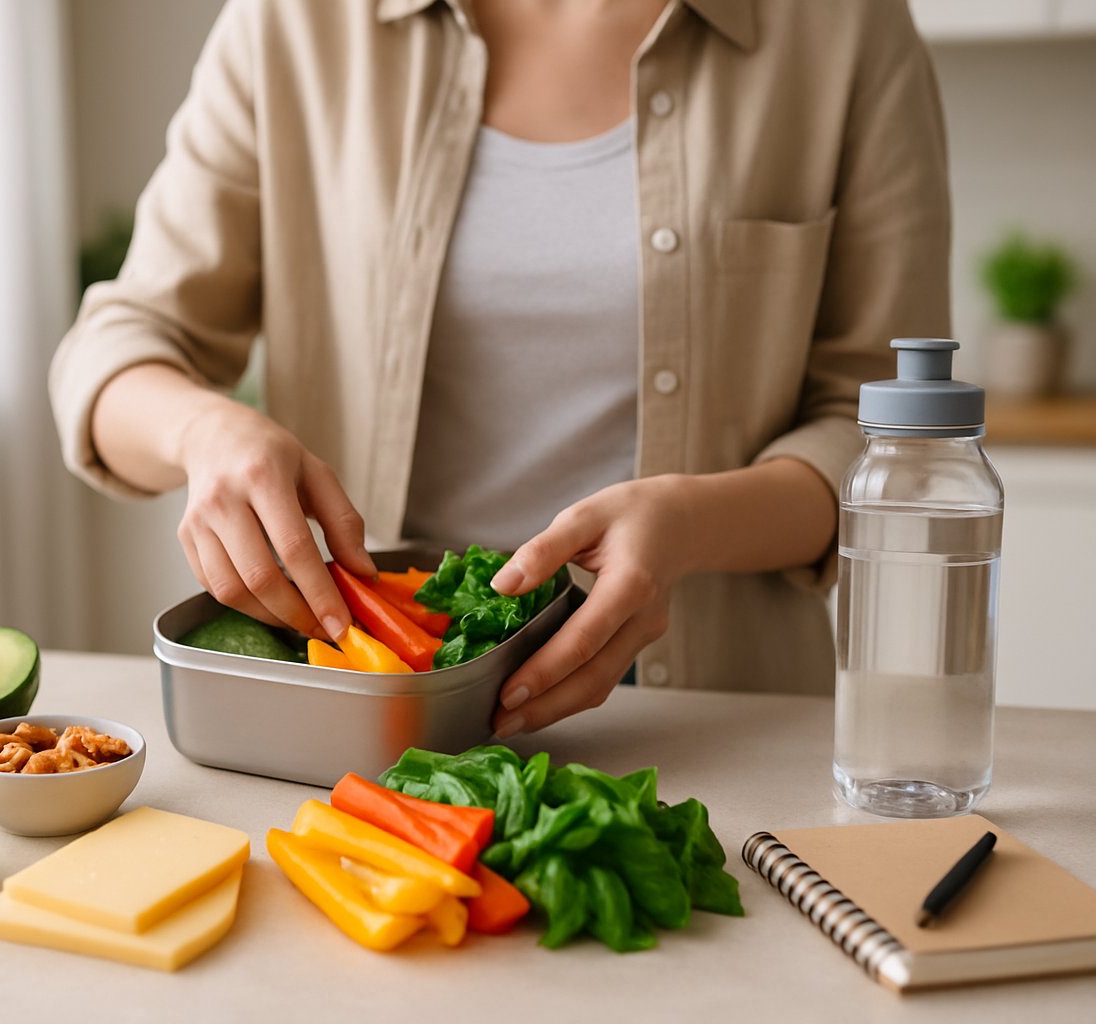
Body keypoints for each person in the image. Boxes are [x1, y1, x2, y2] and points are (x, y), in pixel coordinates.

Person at [49, 0, 950, 738]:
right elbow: (117, 348)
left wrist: (694, 523)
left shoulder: (843, 29)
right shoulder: (296, 23)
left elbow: (889, 431)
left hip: (717, 717)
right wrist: (203, 431)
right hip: (370, 714)